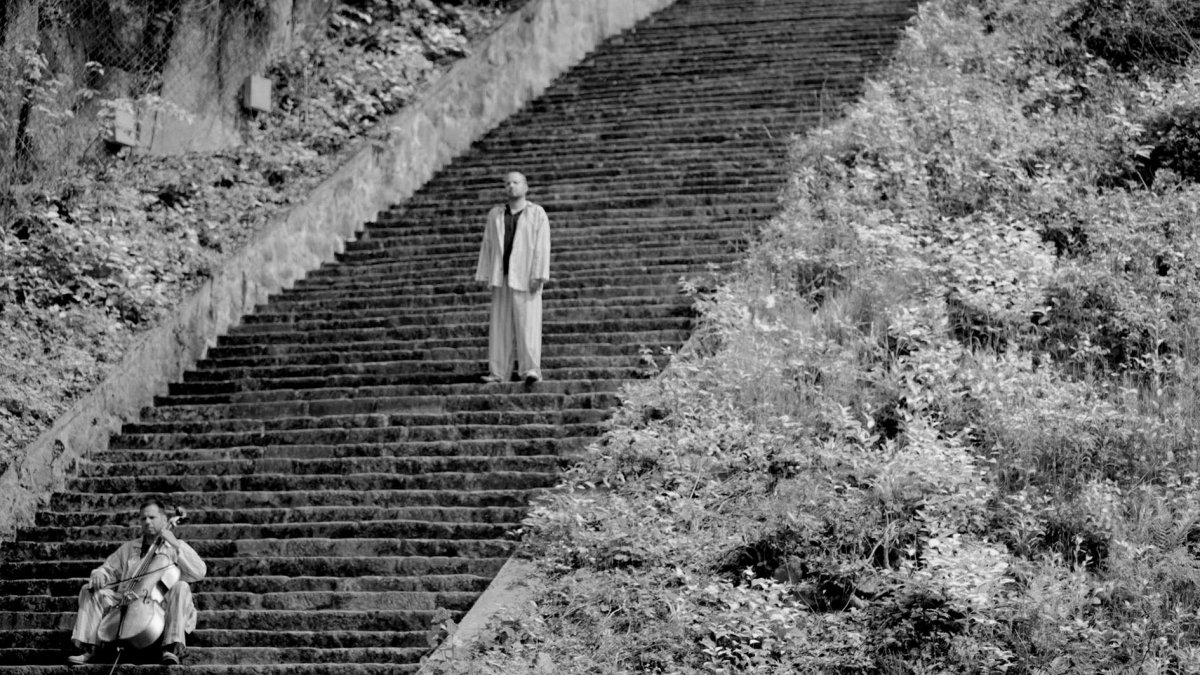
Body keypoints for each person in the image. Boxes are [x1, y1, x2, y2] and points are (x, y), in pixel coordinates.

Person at [67, 498, 206, 667]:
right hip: (125, 600)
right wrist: (99, 574)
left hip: (158, 606)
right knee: (88, 590)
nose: (147, 522)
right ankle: (90, 648)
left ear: (164, 519)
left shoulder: (176, 546)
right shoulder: (129, 547)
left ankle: (171, 648)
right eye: (143, 518)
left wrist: (175, 544)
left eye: (152, 517)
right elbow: (109, 569)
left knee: (181, 587)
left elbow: (199, 572)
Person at [475, 171, 550, 384]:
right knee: (499, 327)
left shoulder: (537, 213)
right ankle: (498, 372)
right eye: (507, 183)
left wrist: (539, 274)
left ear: (525, 187)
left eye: (515, 182)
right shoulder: (496, 214)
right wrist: (486, 274)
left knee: (528, 325)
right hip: (502, 276)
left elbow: (542, 246)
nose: (511, 186)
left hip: (527, 277)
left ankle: (531, 369)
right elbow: (488, 244)